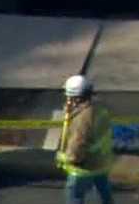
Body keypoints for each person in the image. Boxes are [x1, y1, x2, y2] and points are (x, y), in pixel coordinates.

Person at [56, 74, 115, 204]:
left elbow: (77, 146)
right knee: (105, 195)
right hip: (101, 162)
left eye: (68, 96)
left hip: (83, 169)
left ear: (75, 98)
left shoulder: (81, 118)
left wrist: (63, 157)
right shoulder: (99, 108)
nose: (67, 99)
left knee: (75, 197)